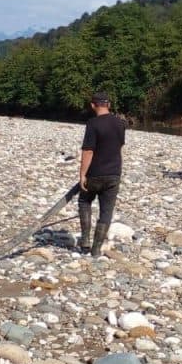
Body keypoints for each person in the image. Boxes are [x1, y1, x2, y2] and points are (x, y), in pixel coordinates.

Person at [78, 92, 126, 256]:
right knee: (106, 212)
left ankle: (85, 241)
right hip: (114, 173)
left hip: (95, 173)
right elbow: (119, 147)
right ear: (109, 105)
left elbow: (88, 151)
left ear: (93, 105)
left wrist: (82, 174)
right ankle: (96, 250)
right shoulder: (121, 123)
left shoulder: (93, 123)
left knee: (84, 201)